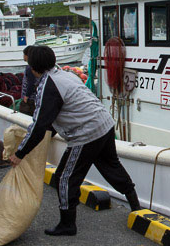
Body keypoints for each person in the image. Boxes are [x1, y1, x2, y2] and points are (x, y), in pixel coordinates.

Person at [8, 45, 140, 236]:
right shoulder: (65, 75)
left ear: (33, 67)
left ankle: (67, 224)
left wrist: (20, 153)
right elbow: (57, 115)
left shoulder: (47, 85)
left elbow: (39, 125)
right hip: (104, 123)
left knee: (65, 177)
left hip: (86, 133)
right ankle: (135, 205)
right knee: (111, 166)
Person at [19, 45, 37, 115]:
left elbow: (31, 83)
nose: (23, 56)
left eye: (24, 54)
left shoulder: (29, 68)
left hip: (30, 99)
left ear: (27, 56)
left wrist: (26, 96)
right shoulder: (35, 67)